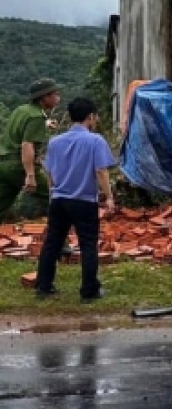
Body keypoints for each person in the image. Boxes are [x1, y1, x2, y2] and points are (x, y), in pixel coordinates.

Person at [33, 98, 116, 300]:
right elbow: (101, 171)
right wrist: (109, 197)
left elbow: (50, 173)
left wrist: (53, 194)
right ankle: (89, 291)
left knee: (52, 243)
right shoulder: (95, 141)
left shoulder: (55, 142)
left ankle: (43, 286)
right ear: (91, 117)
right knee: (88, 244)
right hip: (84, 200)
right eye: (95, 117)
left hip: (59, 199)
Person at [0, 78, 62, 219]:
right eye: (55, 94)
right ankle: (60, 240)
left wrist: (45, 124)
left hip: (3, 165)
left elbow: (20, 130)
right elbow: (27, 145)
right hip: (18, 167)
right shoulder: (36, 117)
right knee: (54, 197)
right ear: (45, 97)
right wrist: (30, 175)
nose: (58, 98)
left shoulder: (21, 110)